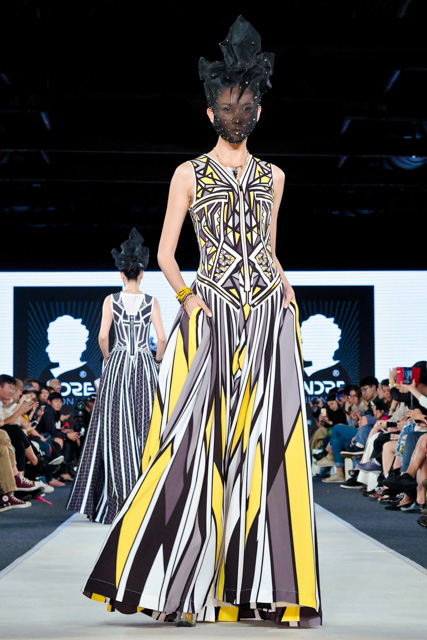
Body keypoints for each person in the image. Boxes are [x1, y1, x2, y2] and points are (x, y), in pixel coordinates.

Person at [82, 17, 321, 628]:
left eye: (247, 105)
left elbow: (270, 250)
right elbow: (166, 254)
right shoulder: (188, 173)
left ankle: (262, 589)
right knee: (193, 443)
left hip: (268, 317)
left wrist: (289, 298)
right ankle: (181, 587)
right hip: (209, 316)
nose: (238, 114)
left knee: (269, 450)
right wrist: (188, 301)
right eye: (228, 106)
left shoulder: (275, 177)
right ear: (211, 112)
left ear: (260, 111)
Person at [66, 228, 166, 524]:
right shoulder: (152, 301)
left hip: (119, 363)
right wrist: (156, 361)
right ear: (142, 274)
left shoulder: (111, 300)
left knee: (114, 427)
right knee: (146, 424)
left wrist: (109, 357)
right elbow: (161, 338)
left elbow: (101, 337)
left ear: (121, 273)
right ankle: (146, 497)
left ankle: (117, 497)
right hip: (145, 364)